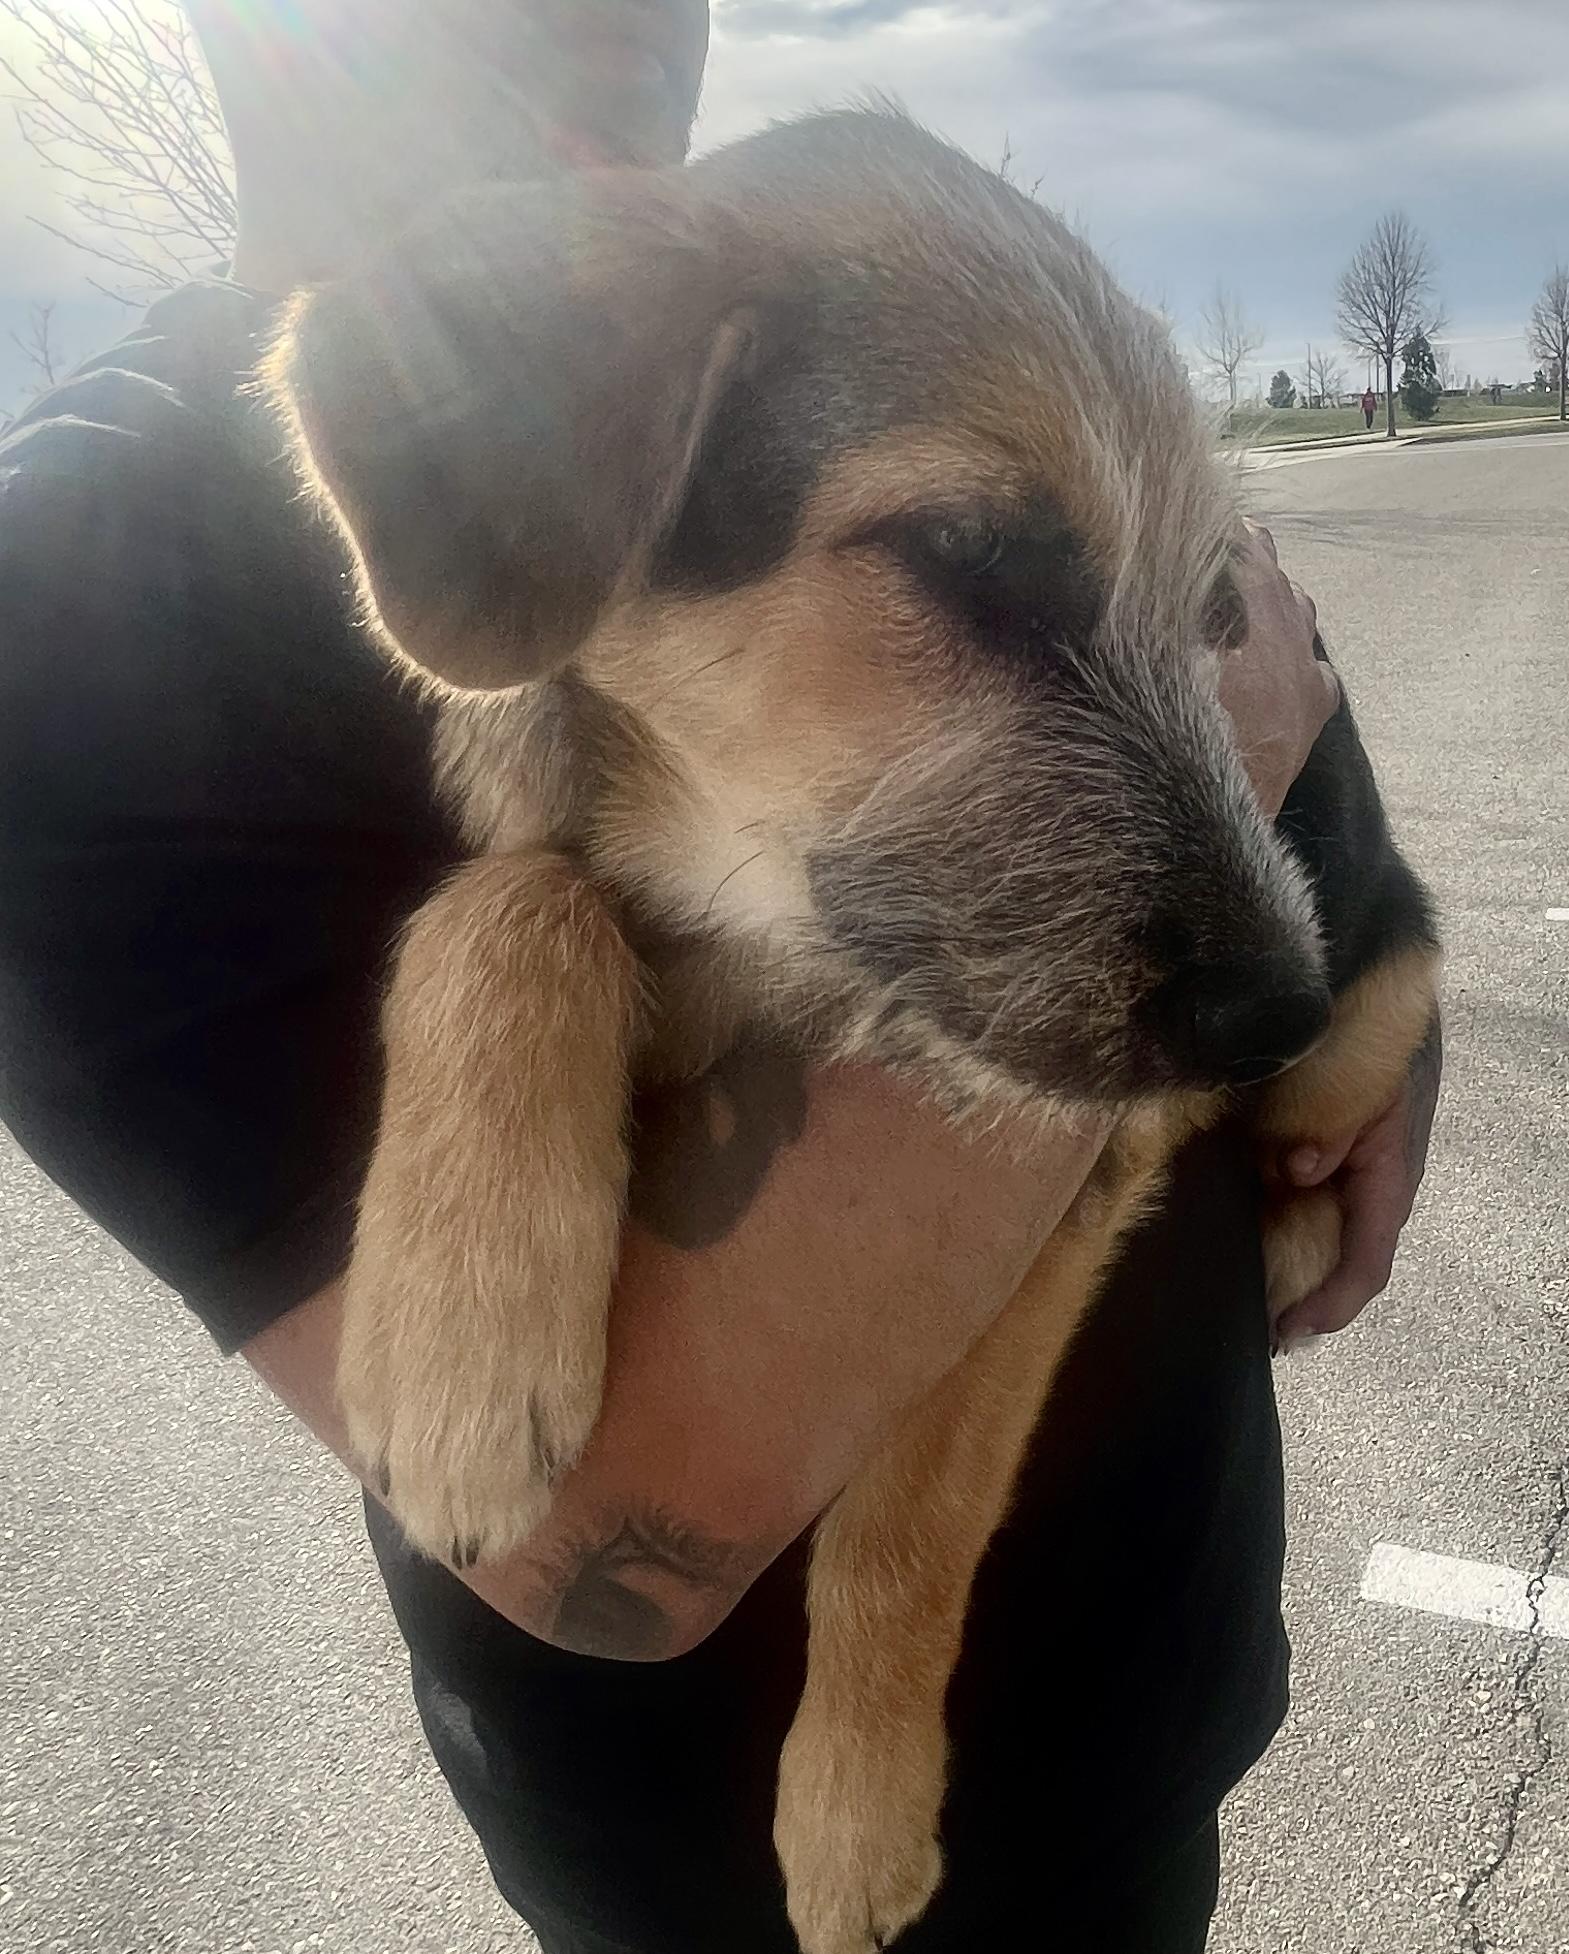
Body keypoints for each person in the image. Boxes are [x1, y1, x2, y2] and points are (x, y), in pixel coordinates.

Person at [0, 5, 1441, 1950]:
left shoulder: (871, 307)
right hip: (709, 1862)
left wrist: (1368, 1002)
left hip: (1138, 1714)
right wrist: (506, 963)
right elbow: (603, 1529)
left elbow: (1259, 686)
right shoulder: (69, 602)